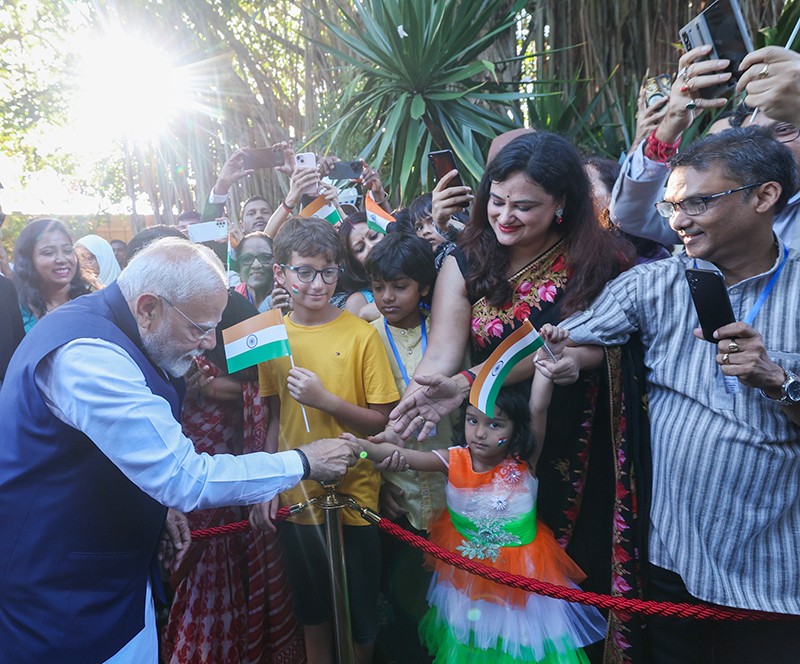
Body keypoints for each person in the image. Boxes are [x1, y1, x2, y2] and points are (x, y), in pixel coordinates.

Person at [0, 237, 361, 662]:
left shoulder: (116, 327)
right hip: (61, 598)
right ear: (148, 309)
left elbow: (128, 455)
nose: (209, 343)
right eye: (199, 328)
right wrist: (305, 461)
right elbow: (186, 478)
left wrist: (156, 506)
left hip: (105, 576)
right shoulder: (88, 357)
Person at [388, 130, 638, 660]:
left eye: (524, 207)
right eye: (497, 201)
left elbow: (607, 342)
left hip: (575, 433)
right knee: (494, 585)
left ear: (562, 203)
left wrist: (575, 358)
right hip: (491, 435)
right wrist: (417, 398)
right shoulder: (465, 258)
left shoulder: (601, 260)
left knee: (575, 571)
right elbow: (443, 352)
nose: (505, 217)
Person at [560, 127, 800, 663]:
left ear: (764, 196)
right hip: (674, 567)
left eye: (697, 202)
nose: (678, 221)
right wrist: (464, 383)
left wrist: (778, 381)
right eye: (671, 206)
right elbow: (558, 341)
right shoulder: (655, 284)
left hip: (774, 578)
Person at [354, 328, 606, 663]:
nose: (480, 433)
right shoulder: (453, 459)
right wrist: (361, 449)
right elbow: (403, 455)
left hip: (522, 583)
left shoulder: (524, 462)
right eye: (473, 421)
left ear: (516, 430)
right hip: (467, 579)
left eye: (495, 425)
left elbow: (538, 405)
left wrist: (549, 356)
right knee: (471, 646)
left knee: (519, 649)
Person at [252, 217, 400, 664]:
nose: (318, 284)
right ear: (280, 273)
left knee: (361, 611)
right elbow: (275, 418)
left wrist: (326, 401)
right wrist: (268, 482)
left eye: (328, 272)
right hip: (297, 492)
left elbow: (381, 421)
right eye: (305, 272)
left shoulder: (362, 335)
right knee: (312, 608)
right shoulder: (271, 336)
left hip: (356, 492)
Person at [162, 292, 305, 664]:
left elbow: (263, 389)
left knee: (240, 575)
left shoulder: (241, 326)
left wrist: (209, 387)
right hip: (196, 488)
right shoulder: (177, 347)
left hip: (238, 484)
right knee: (203, 579)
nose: (206, 337)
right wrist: (189, 389)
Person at [610, 44, 800, 250]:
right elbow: (632, 215)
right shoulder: (720, 204)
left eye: (784, 130)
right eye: (753, 138)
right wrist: (670, 125)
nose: (769, 146)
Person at [363, 233, 449, 663]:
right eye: (378, 287)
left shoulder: (449, 332)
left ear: (425, 286)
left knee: (452, 602)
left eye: (399, 286)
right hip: (399, 495)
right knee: (404, 602)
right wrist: (379, 485)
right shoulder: (366, 338)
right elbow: (364, 417)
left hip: (451, 490)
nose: (387, 297)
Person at [12, 218, 93, 333]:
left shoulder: (94, 304)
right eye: (49, 253)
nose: (61, 259)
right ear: (28, 260)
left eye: (67, 251)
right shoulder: (15, 310)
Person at [339, 211, 386, 321]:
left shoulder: (417, 267)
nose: (371, 247)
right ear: (355, 262)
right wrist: (363, 316)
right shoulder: (358, 303)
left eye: (374, 236)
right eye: (360, 249)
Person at [234, 231, 279, 312]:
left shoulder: (289, 298)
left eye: (265, 257)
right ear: (239, 267)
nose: (256, 265)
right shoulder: (231, 303)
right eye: (247, 258)